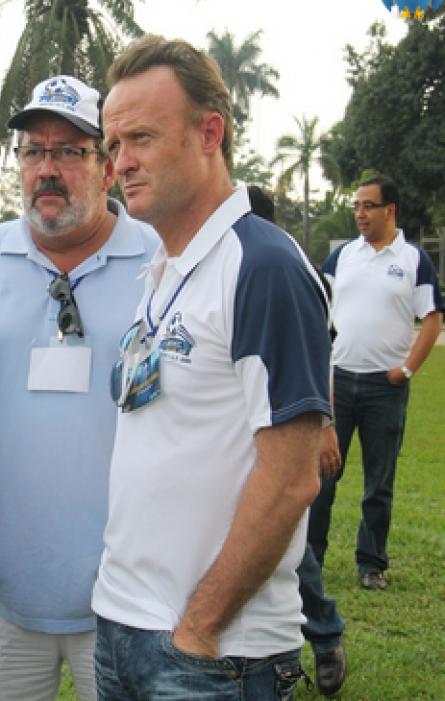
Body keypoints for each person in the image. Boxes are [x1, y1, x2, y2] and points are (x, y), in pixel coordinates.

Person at [92, 36, 333, 699]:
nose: (121, 163)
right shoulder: (160, 271)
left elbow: (291, 479)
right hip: (124, 625)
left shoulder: (262, 266)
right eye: (112, 145)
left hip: (215, 651)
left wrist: (199, 626)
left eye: (139, 136)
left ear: (209, 133)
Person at [0, 75, 160, 701]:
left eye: (70, 151)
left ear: (108, 166)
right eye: (34, 152)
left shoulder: (161, 262)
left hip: (134, 598)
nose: (47, 169)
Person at [311, 175, 443, 592]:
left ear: (391, 210)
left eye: (368, 206)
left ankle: (371, 564)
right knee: (322, 478)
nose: (360, 214)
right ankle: (310, 562)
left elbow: (433, 319)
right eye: (356, 206)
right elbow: (318, 309)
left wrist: (405, 371)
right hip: (338, 382)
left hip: (385, 389)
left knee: (378, 483)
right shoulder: (343, 257)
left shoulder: (413, 260)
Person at [248, 184, 349, 697]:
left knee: (289, 543)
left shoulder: (286, 270)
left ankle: (326, 636)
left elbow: (317, 360)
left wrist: (325, 426)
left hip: (285, 430)